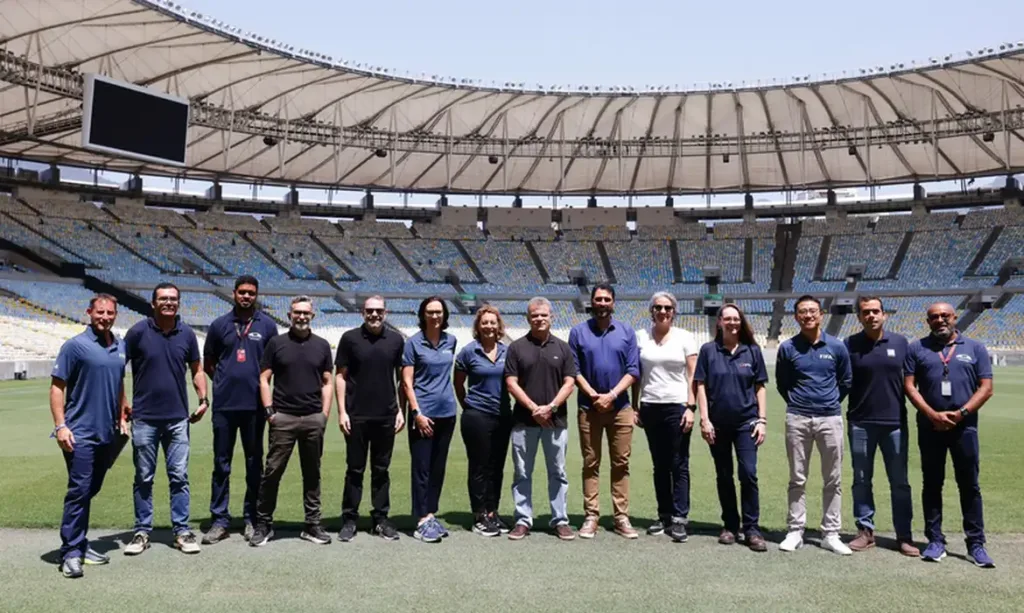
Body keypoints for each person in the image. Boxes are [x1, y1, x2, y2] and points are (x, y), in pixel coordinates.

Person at [904, 302, 995, 568]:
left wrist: (961, 413)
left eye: (945, 315)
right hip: (930, 427)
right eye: (934, 317)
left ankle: (976, 544)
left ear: (955, 317)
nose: (940, 320)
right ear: (928, 321)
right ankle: (935, 540)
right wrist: (933, 414)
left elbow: (986, 387)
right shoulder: (916, 348)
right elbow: (910, 387)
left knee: (970, 486)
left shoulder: (975, 348)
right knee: (932, 484)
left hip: (964, 428)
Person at [123, 283, 206, 556]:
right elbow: (116, 369)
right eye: (163, 299)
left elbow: (196, 369)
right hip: (145, 418)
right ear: (153, 303)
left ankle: (181, 531)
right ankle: (141, 531)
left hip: (178, 419)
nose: (168, 303)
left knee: (179, 477)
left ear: (178, 303)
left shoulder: (188, 335)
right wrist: (123, 404)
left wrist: (203, 399)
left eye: (173, 299)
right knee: (144, 477)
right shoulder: (137, 332)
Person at [50, 294, 127, 578]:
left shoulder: (120, 346)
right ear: (89, 313)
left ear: (115, 315)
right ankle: (70, 552)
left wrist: (121, 412)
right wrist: (61, 426)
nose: (104, 317)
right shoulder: (75, 346)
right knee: (79, 491)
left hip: (107, 434)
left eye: (109, 313)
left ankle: (79, 543)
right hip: (79, 434)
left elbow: (118, 382)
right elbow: (57, 387)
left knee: (90, 490)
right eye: (100, 312)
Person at [249, 296, 334, 547]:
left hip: (312, 418)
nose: (301, 317)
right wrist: (269, 411)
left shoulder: (321, 346)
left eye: (306, 313)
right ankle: (264, 524)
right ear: (289, 315)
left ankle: (312, 524)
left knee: (312, 473)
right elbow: (263, 378)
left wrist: (324, 415)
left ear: (312, 316)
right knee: (272, 472)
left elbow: (328, 382)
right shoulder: (276, 343)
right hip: (283, 418)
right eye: (297, 313)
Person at [201, 275, 278, 545]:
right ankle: (219, 520)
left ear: (256, 295)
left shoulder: (268, 326)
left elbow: (271, 365)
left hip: (255, 407)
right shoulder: (219, 325)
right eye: (242, 292)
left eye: (251, 293)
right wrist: (224, 382)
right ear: (234, 294)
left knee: (254, 464)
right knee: (221, 464)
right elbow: (209, 362)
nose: (246, 296)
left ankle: (251, 518)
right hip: (225, 406)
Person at [775, 295, 852, 555]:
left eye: (812, 311)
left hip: (830, 417)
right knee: (797, 477)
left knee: (833, 478)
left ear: (821, 314)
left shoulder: (837, 347)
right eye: (802, 312)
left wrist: (827, 403)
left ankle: (831, 533)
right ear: (796, 317)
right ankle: (795, 530)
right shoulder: (787, 348)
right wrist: (801, 403)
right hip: (797, 417)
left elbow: (845, 381)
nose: (808, 316)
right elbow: (782, 383)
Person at [844, 296, 918, 556]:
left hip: (894, 423)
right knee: (862, 479)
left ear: (884, 315)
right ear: (859, 317)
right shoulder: (850, 344)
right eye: (866, 312)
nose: (871, 316)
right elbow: (843, 381)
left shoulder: (900, 343)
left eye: (876, 311)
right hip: (861, 422)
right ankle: (865, 531)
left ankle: (904, 536)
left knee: (900, 481)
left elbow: (912, 381)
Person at [694, 303, 769, 552]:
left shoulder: (752, 351)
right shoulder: (708, 350)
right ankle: (729, 525)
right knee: (724, 476)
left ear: (741, 321)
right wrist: (704, 419)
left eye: (736, 319)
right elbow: (701, 386)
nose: (733, 323)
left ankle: (752, 529)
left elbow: (760, 387)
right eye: (728, 319)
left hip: (746, 424)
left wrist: (762, 420)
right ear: (719, 323)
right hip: (718, 425)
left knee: (748, 474)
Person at [569, 283, 640, 539]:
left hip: (620, 408)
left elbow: (633, 371)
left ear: (613, 303)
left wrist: (611, 395)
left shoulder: (626, 332)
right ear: (591, 302)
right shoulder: (578, 332)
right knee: (591, 462)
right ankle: (591, 516)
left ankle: (621, 517)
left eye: (606, 299)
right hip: (589, 408)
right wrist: (594, 395)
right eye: (598, 299)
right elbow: (574, 371)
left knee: (621, 462)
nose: (602, 303)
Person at [504, 297, 578, 541]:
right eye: (534, 315)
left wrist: (552, 406)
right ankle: (523, 519)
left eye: (543, 315)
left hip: (556, 422)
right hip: (524, 422)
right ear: (528, 318)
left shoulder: (563, 348)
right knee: (522, 472)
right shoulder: (516, 348)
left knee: (557, 471)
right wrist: (534, 408)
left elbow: (570, 381)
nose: (539, 319)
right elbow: (511, 382)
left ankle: (560, 519)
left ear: (551, 317)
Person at [336, 296, 405, 542]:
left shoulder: (396, 340)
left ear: (385, 312)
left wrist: (400, 410)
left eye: (378, 311)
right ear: (362, 312)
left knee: (381, 470)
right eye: (369, 311)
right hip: (356, 416)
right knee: (354, 469)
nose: (374, 315)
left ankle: (381, 519)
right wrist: (342, 411)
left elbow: (402, 380)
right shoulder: (350, 339)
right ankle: (350, 519)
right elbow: (341, 376)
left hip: (386, 415)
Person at [633, 291, 699, 543]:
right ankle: (664, 514)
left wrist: (690, 408)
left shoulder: (685, 337)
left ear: (674, 311)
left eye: (668, 308)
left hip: (677, 406)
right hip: (650, 406)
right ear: (651, 310)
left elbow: (693, 375)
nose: (663, 311)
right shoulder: (641, 337)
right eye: (658, 307)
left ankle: (680, 518)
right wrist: (634, 405)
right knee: (659, 465)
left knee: (678, 463)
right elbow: (636, 374)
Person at [402, 296, 458, 543]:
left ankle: (431, 514)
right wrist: (417, 413)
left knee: (437, 468)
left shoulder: (451, 340)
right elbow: (406, 382)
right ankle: (421, 519)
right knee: (422, 468)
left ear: (444, 315)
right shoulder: (413, 343)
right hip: (423, 414)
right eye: (430, 312)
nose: (435, 316)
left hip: (447, 412)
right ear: (423, 315)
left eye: (439, 312)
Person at [454, 305, 512, 537]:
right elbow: (458, 384)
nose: (489, 326)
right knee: (479, 466)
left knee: (496, 467)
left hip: (503, 415)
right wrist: (468, 405)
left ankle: (492, 512)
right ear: (478, 326)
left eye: (492, 322)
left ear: (499, 326)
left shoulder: (508, 352)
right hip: (476, 416)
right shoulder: (468, 352)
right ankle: (479, 514)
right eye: (484, 322)